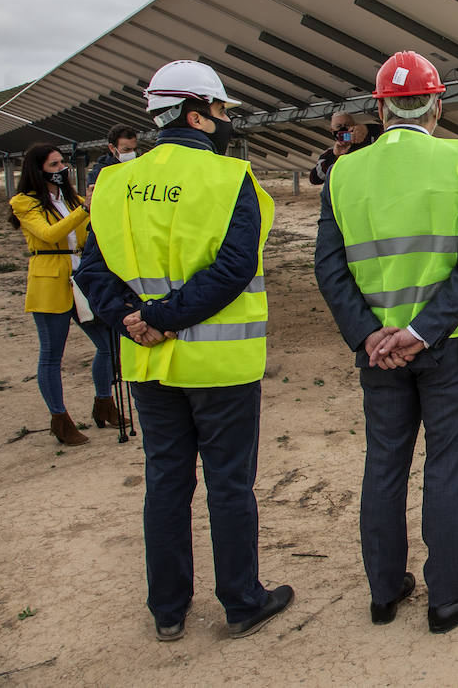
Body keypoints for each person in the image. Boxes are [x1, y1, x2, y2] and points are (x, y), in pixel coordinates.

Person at [74, 60, 293, 642]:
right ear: (197, 115)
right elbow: (233, 267)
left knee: (166, 481)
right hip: (220, 365)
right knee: (229, 484)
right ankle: (242, 600)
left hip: (147, 362)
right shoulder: (229, 178)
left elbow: (93, 268)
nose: (225, 122)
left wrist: (131, 319)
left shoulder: (117, 183)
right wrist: (164, 318)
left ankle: (167, 610)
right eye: (221, 112)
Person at [314, 51, 458, 633]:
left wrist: (373, 334)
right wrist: (421, 333)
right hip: (452, 344)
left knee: (385, 464)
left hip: (378, 352)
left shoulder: (343, 172)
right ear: (437, 106)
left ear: (378, 108)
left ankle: (384, 588)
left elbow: (329, 268)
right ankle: (447, 594)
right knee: (448, 466)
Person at [8, 142, 121, 445]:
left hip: (81, 278)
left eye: (62, 164)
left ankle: (104, 403)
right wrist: (85, 209)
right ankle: (60, 419)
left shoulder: (70, 199)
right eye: (54, 165)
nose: (62, 170)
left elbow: (88, 230)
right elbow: (48, 234)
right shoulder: (23, 202)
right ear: (38, 169)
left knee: (108, 343)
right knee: (51, 355)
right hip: (49, 279)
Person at [308, 111, 381, 185]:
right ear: (332, 131)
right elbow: (315, 179)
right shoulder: (330, 153)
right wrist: (335, 157)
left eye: (347, 125)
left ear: (354, 126)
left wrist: (366, 129)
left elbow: (387, 129)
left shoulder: (371, 143)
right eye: (338, 126)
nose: (343, 128)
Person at [85, 124, 138, 201]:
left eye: (134, 149)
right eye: (126, 150)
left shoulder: (139, 166)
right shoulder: (100, 173)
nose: (132, 153)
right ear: (112, 148)